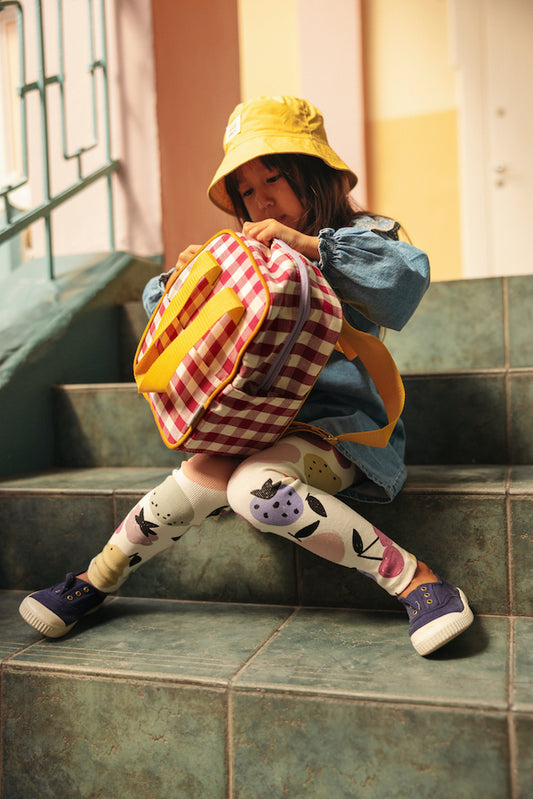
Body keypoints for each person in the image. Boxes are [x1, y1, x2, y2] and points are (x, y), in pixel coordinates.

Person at [19, 96, 473, 656]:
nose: (262, 199)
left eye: (274, 177)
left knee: (253, 490)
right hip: (254, 421)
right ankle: (95, 580)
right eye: (247, 191)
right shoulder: (248, 254)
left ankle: (416, 580)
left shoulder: (362, 237)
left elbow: (403, 281)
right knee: (195, 477)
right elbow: (166, 310)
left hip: (338, 428)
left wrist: (311, 249)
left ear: (317, 172)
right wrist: (188, 279)